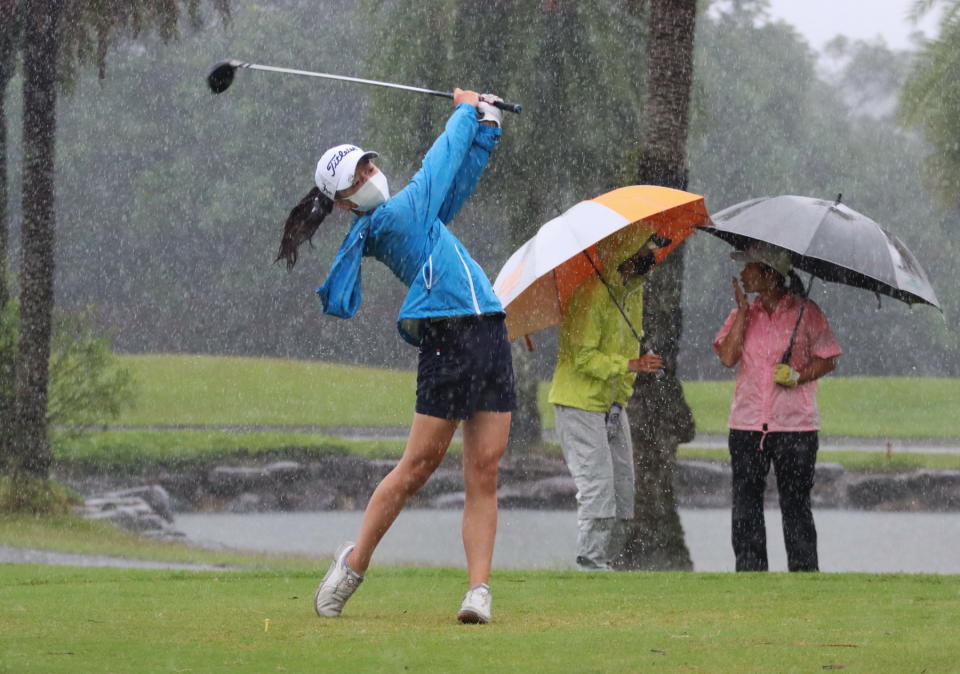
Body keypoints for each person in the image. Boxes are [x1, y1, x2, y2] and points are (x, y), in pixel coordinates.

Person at [277, 89, 514, 623]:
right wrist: (465, 107)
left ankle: (478, 592)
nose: (368, 178)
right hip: (447, 339)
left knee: (484, 467)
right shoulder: (389, 221)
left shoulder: (418, 213)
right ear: (343, 203)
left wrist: (488, 124)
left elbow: (458, 177)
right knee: (418, 466)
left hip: (489, 330)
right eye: (355, 182)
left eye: (367, 167)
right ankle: (353, 564)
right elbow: (439, 164)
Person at [713, 242, 841, 572]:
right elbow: (728, 357)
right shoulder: (742, 314)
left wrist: (799, 375)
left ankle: (803, 576)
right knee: (745, 505)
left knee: (796, 505)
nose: (742, 273)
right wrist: (742, 313)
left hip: (796, 427)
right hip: (746, 425)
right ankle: (750, 576)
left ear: (769, 273)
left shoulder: (806, 312)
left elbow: (828, 359)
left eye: (749, 267)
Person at [547, 230, 665, 571]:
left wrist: (624, 388)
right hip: (579, 403)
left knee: (623, 490)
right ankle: (590, 563)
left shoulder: (633, 293)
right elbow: (584, 358)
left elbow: (629, 346)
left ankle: (606, 562)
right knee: (597, 486)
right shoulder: (591, 295)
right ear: (626, 250)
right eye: (645, 247)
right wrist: (630, 365)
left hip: (612, 404)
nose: (651, 255)